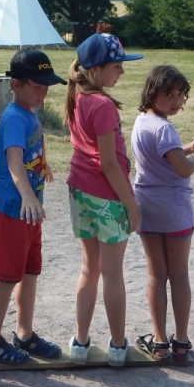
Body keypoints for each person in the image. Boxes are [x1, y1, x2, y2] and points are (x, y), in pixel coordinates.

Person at [0, 49, 67, 364]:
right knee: (7, 278)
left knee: (29, 272)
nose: (42, 92)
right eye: (36, 85)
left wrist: (43, 165)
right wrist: (28, 195)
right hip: (11, 208)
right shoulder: (15, 116)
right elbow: (14, 160)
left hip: (28, 211)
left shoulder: (29, 113)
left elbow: (29, 153)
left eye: (46, 86)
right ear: (15, 84)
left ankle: (24, 334)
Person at [64, 32, 143, 367]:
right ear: (96, 69)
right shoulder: (103, 105)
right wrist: (131, 205)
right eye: (116, 66)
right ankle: (117, 346)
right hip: (108, 197)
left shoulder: (77, 95)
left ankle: (80, 343)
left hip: (79, 192)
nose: (121, 72)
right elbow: (109, 163)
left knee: (89, 268)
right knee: (112, 273)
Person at [130, 65, 194, 365]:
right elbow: (181, 168)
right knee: (178, 275)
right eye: (169, 94)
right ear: (152, 93)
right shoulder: (165, 128)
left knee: (156, 275)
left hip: (147, 207)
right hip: (174, 210)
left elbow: (163, 155)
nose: (176, 101)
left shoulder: (142, 121)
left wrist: (189, 147)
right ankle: (181, 342)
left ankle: (159, 342)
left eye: (180, 94)